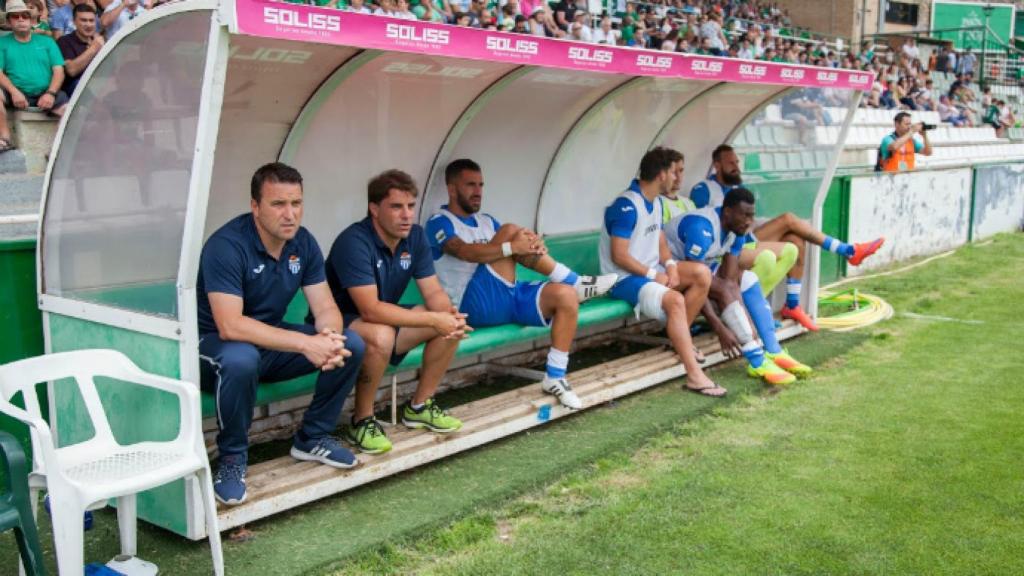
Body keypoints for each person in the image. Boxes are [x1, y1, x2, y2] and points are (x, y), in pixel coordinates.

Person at [197, 163, 365, 505]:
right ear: (255, 206)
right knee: (241, 357)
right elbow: (231, 325)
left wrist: (328, 338)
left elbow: (326, 308)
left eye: (296, 203)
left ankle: (312, 437)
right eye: (278, 204)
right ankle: (231, 458)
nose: (290, 214)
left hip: (267, 342)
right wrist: (306, 343)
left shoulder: (302, 243)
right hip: (212, 346)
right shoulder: (227, 245)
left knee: (352, 343)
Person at [426, 159, 617, 409]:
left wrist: (532, 245)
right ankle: (574, 279)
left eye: (481, 185)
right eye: (470, 185)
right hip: (470, 305)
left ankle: (556, 376)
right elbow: (464, 252)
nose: (478, 191)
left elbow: (515, 249)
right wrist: (513, 244)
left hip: (505, 294)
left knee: (566, 296)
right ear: (452, 189)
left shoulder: (486, 221)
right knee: (510, 231)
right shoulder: (439, 221)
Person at [324, 169, 469, 455]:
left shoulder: (414, 237)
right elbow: (370, 309)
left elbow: (433, 292)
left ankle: (419, 406)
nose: (406, 215)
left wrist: (448, 315)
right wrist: (432, 319)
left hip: (383, 318)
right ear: (374, 209)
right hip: (340, 323)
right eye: (396, 207)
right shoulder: (353, 241)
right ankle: (361, 420)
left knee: (450, 322)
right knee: (381, 335)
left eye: (411, 206)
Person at [690, 145, 885, 331]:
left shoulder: (737, 187)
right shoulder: (703, 189)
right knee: (788, 219)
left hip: (744, 237)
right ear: (717, 165)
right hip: (727, 247)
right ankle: (847, 250)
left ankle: (792, 304)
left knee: (795, 239)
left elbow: (750, 218)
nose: (736, 167)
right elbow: (707, 225)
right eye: (731, 163)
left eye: (737, 162)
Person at [601, 147, 723, 397]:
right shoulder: (626, 205)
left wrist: (668, 266)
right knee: (675, 300)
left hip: (648, 272)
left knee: (702, 274)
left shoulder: (655, 201)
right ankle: (695, 376)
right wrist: (652, 274)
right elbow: (619, 256)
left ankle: (682, 344)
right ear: (660, 175)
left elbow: (660, 243)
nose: (677, 179)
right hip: (622, 279)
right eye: (673, 173)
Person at [665, 188, 810, 386]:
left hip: (697, 271)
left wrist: (743, 317)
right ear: (727, 213)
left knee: (747, 279)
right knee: (721, 288)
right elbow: (699, 285)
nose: (749, 221)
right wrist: (719, 327)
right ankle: (757, 360)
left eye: (752, 215)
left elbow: (730, 281)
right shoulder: (702, 228)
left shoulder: (737, 230)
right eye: (745, 215)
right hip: (665, 270)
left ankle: (773, 350)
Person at [0, 0, 68, 153]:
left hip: (47, 91)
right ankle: (4, 139)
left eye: (24, 16)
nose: (21, 19)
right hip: (17, 92)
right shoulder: (1, 43)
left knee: (70, 112)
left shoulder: (48, 42)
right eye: (15, 17)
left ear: (31, 20)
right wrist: (13, 91)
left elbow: (59, 71)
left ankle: (57, 152)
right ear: (9, 22)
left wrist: (50, 93)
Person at [57, 4, 103, 97]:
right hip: (76, 87)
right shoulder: (64, 41)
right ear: (74, 22)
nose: (88, 25)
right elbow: (71, 70)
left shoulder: (100, 41)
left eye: (91, 21)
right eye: (83, 20)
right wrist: (94, 48)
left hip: (99, 84)